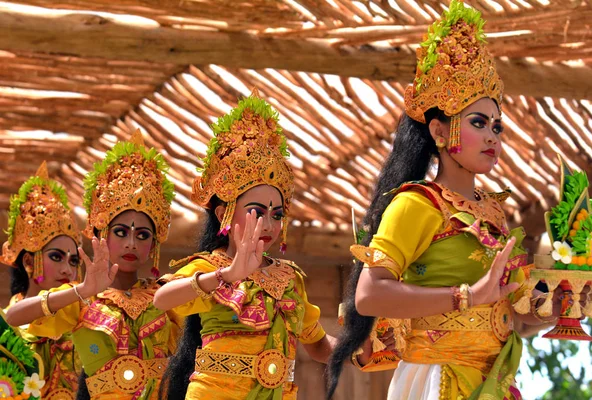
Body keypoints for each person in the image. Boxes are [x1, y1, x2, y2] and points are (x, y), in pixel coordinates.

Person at [325, 1, 560, 398]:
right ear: (438, 130)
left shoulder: (494, 212)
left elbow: (513, 318)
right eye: (478, 123)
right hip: (438, 379)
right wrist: (467, 296)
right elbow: (368, 295)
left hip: (495, 381)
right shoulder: (417, 204)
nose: (492, 137)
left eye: (497, 127)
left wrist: (549, 309)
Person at [154, 92, 386, 399]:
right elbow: (162, 299)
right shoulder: (210, 268)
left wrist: (356, 347)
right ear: (224, 213)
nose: (267, 224)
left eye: (276, 215)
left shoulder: (288, 279)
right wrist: (228, 275)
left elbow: (316, 345)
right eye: (256, 212)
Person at [6, 131, 181, 399]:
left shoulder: (166, 294)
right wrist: (82, 290)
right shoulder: (83, 299)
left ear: (154, 246)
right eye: (121, 232)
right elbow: (13, 317)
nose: (132, 243)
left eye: (143, 235)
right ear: (101, 235)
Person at [2, 161, 82, 399]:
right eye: (56, 257)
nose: (67, 269)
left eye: (74, 261)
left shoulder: (85, 323)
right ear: (28, 262)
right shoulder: (6, 330)